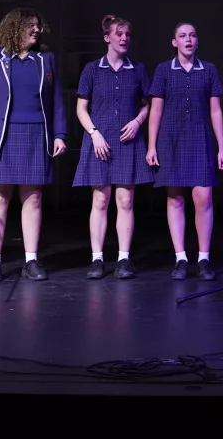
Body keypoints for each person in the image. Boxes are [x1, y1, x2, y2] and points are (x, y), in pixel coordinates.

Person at [0, 7, 67, 283]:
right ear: (15, 27)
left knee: (33, 198)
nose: (37, 30)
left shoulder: (46, 59)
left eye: (38, 25)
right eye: (31, 25)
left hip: (36, 134)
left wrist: (60, 134)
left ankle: (31, 260)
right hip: (1, 135)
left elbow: (57, 101)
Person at [146, 22, 223, 281]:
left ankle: (203, 258)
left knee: (204, 198)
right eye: (183, 36)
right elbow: (156, 110)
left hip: (199, 139)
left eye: (192, 35)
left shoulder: (209, 70)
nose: (188, 40)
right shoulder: (163, 71)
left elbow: (215, 110)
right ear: (174, 42)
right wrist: (151, 145)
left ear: (197, 40)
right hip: (171, 139)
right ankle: (180, 258)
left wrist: (222, 147)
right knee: (176, 199)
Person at [74, 14, 152, 280]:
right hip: (100, 141)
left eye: (128, 34)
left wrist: (138, 121)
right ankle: (97, 258)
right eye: (119, 34)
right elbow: (81, 108)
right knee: (100, 199)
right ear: (107, 37)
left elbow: (146, 104)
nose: (124, 38)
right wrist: (94, 134)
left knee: (126, 200)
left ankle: (123, 259)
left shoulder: (137, 69)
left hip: (127, 140)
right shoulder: (92, 69)